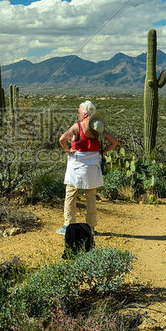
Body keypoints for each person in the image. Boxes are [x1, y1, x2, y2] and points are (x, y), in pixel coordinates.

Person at [56, 100, 119, 235]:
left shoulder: (77, 127)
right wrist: (102, 152)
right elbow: (115, 142)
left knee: (71, 195)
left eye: (78, 111)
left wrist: (67, 150)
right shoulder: (98, 128)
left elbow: (62, 139)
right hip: (92, 166)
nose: (77, 114)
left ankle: (68, 226)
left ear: (84, 113)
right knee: (91, 197)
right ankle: (90, 227)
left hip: (77, 165)